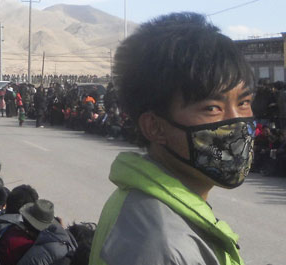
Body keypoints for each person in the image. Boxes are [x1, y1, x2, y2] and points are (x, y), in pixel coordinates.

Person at [89, 13, 255, 265]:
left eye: (243, 103)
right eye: (212, 108)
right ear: (154, 127)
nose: (237, 123)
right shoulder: (162, 248)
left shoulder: (142, 202)